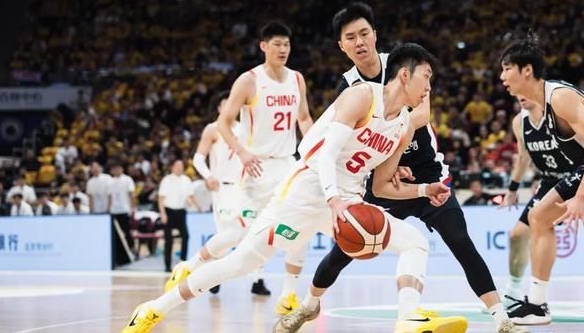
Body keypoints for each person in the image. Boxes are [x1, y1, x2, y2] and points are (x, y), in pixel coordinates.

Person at [122, 43, 466, 333]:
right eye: (426, 77)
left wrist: (424, 190)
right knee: (240, 263)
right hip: (307, 190)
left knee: (415, 241)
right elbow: (327, 154)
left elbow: (382, 186)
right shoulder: (362, 97)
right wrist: (333, 199)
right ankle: (153, 308)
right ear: (404, 74)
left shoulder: (404, 126)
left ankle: (408, 317)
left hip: (346, 199)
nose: (429, 88)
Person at [280, 2, 516, 333]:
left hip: (426, 173)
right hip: (382, 179)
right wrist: (386, 161)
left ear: (375, 35)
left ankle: (501, 320)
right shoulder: (349, 88)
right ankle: (308, 305)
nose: (360, 42)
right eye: (351, 37)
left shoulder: (405, 64)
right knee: (345, 248)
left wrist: (394, 148)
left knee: (460, 240)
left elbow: (422, 115)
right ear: (342, 45)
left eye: (364, 33)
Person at [164, 22, 314, 313]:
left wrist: (315, 150)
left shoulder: (297, 79)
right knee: (241, 234)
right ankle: (190, 265)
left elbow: (305, 118)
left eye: (286, 44)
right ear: (263, 46)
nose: (283, 49)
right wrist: (242, 152)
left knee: (301, 225)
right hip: (256, 167)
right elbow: (223, 122)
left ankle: (288, 294)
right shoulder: (249, 80)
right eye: (277, 44)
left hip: (287, 164)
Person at [499, 32, 584, 325]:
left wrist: (581, 196)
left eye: (507, 69)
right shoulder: (535, 110)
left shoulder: (560, 97)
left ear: (527, 70)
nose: (502, 76)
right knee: (538, 217)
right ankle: (537, 305)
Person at [185, 90, 269, 295]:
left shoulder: (245, 128)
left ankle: (258, 280)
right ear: (219, 108)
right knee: (225, 235)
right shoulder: (212, 129)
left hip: (246, 188)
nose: (231, 107)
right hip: (222, 188)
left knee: (254, 232)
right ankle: (214, 277)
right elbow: (198, 158)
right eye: (226, 104)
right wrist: (208, 176)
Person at [158, 159, 201, 272]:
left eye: (181, 165)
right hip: (169, 211)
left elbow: (190, 196)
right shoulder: (167, 180)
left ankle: (183, 261)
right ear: (172, 167)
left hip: (181, 211)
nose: (179, 168)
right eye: (177, 165)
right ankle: (167, 265)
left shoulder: (186, 180)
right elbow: (161, 198)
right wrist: (163, 214)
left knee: (186, 236)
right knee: (168, 240)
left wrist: (198, 207)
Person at [108, 163, 136, 254]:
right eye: (114, 169)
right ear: (112, 171)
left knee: (127, 231)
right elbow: (109, 196)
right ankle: (118, 252)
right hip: (113, 211)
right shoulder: (110, 181)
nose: (116, 171)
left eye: (118, 168)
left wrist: (133, 207)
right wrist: (108, 208)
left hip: (125, 210)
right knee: (115, 234)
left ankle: (131, 250)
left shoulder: (127, 179)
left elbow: (132, 194)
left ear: (121, 169)